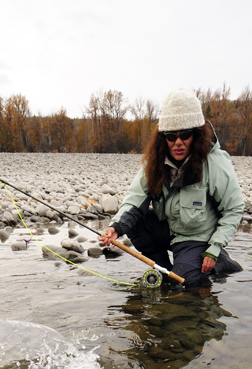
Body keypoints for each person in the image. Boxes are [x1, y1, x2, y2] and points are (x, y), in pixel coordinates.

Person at [100, 88, 244, 288]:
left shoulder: (214, 162)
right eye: (170, 136)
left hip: (197, 237)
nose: (178, 142)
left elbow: (233, 209)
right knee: (136, 224)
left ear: (196, 134)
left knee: (186, 283)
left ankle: (217, 261)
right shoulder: (154, 163)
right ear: (162, 138)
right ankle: (164, 270)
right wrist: (115, 227)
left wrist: (214, 247)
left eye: (185, 134)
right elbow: (134, 200)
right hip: (170, 229)